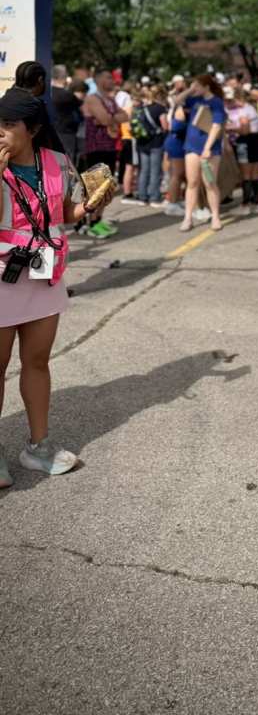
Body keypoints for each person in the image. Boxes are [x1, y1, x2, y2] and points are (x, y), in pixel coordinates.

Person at [0, 89, 114, 487]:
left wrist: (90, 205)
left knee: (37, 362)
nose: (0, 132)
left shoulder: (58, 162)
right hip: (2, 279)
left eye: (8, 125)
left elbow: (62, 211)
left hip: (44, 275)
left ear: (32, 129)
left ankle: (38, 446)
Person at [177, 74, 226, 233]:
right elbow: (176, 101)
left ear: (207, 86)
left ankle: (216, 216)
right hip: (191, 146)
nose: (194, 89)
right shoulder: (194, 100)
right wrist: (190, 89)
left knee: (210, 183)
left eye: (198, 86)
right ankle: (188, 218)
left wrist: (208, 147)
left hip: (210, 149)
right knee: (192, 183)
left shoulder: (216, 102)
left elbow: (217, 126)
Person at [82, 68, 128, 238]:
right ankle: (91, 223)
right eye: (109, 78)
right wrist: (111, 119)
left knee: (106, 187)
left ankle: (98, 220)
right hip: (95, 148)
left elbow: (125, 116)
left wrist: (111, 119)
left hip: (109, 147)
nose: (113, 81)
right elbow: (105, 119)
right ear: (100, 80)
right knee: (96, 188)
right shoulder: (92, 98)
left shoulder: (109, 99)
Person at [226, 89, 258, 216]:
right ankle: (257, 203)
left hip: (246, 141)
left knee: (246, 175)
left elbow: (245, 130)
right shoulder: (252, 108)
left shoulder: (243, 111)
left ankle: (245, 205)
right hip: (257, 140)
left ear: (238, 99)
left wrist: (231, 129)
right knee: (255, 173)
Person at [134, 85, 168, 208]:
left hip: (142, 143)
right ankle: (154, 197)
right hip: (156, 143)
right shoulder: (160, 108)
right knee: (155, 171)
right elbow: (165, 126)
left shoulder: (140, 108)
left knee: (144, 170)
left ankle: (142, 197)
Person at [50, 65, 81, 164]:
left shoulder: (47, 93)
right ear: (65, 77)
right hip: (66, 134)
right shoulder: (67, 95)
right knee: (67, 165)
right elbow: (81, 107)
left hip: (50, 132)